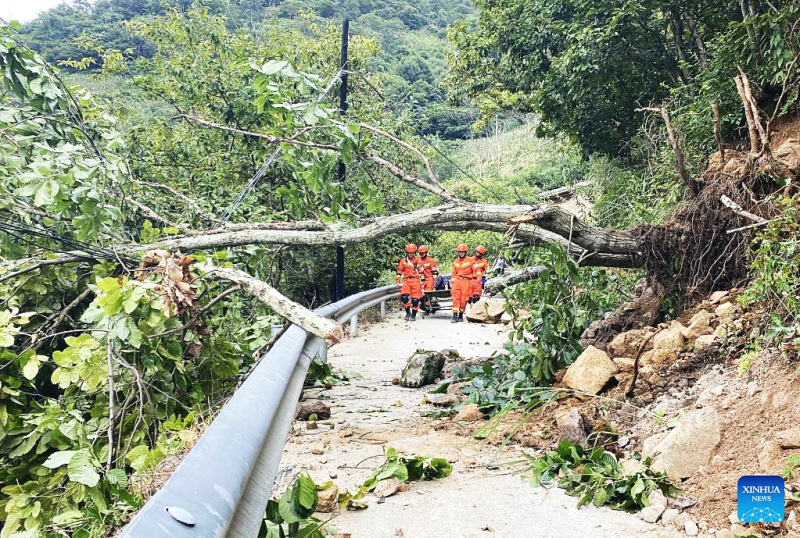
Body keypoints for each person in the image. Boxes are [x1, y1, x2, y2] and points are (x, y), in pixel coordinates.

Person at [395, 243, 424, 321]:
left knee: (415, 300)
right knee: (404, 297)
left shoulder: (418, 261)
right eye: (410, 253)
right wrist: (397, 281)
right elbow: (399, 271)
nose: (411, 254)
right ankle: (408, 313)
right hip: (407, 281)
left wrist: (423, 283)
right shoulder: (403, 261)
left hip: (416, 281)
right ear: (407, 253)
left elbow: (421, 273)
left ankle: (413, 315)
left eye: (413, 252)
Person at [450, 243, 473, 323]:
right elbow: (454, 273)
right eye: (460, 252)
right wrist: (453, 283)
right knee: (455, 299)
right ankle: (454, 315)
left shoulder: (470, 260)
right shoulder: (456, 261)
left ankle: (460, 314)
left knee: (464, 300)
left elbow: (474, 271)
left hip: (466, 282)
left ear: (465, 252)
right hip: (457, 282)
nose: (461, 253)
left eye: (463, 252)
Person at [417, 245, 438, 316]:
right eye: (421, 253)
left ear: (426, 252)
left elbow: (434, 272)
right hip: (420, 280)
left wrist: (435, 281)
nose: (423, 254)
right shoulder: (418, 261)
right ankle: (424, 305)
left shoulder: (431, 261)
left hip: (429, 279)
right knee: (418, 294)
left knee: (427, 294)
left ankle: (427, 309)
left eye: (424, 253)